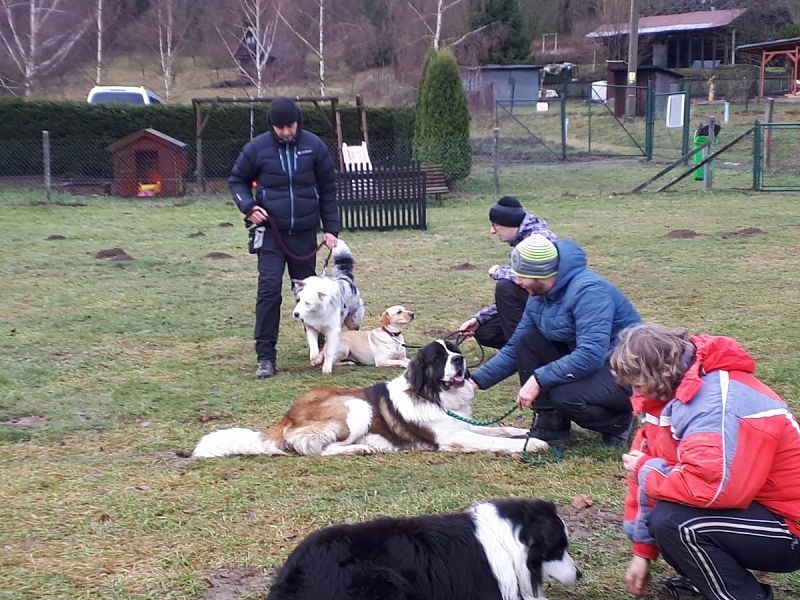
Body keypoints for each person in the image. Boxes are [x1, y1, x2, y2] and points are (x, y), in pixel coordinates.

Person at [610, 322, 800, 600]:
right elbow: (649, 475)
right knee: (669, 514)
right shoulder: (669, 396)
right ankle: (712, 584)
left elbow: (712, 488)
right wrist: (642, 552)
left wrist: (645, 469)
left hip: (790, 526)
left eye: (638, 384)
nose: (635, 394)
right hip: (760, 510)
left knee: (677, 523)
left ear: (658, 372)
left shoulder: (715, 404)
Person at [469, 233, 639, 447]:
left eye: (522, 276)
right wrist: (473, 382)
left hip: (625, 372)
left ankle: (619, 423)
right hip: (593, 365)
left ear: (540, 274)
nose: (518, 282)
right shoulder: (537, 295)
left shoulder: (589, 292)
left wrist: (538, 379)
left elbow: (590, 355)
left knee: (563, 395)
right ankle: (551, 426)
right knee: (528, 340)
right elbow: (515, 347)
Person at [229, 97, 339, 379]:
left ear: (297, 122)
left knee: (313, 295)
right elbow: (237, 180)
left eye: (290, 126)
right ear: (272, 127)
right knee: (268, 290)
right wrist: (249, 206)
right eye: (280, 128)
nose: (287, 132)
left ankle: (326, 348)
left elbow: (328, 188)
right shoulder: (257, 149)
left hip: (304, 233)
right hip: (271, 233)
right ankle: (265, 356)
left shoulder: (314, 146)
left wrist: (331, 229)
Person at [459, 196, 557, 349]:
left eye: (495, 225)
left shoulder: (538, 240)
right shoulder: (525, 239)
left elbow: (535, 281)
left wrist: (499, 271)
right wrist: (479, 319)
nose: (492, 231)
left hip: (552, 309)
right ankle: (533, 348)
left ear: (509, 224)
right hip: (537, 304)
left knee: (505, 287)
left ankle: (524, 353)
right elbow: (518, 293)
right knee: (485, 331)